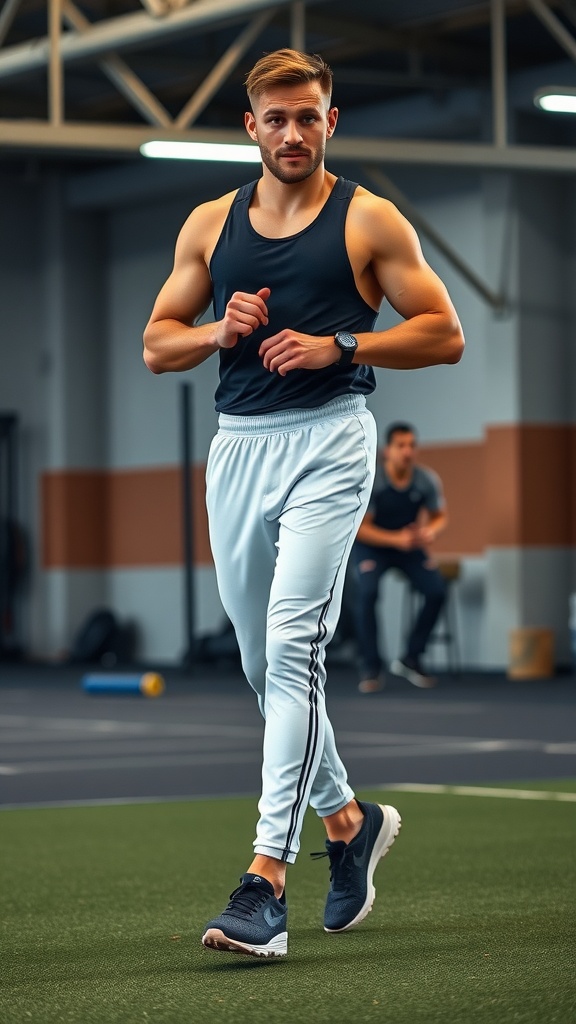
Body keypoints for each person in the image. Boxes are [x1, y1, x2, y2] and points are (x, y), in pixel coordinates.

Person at [143, 48, 464, 959]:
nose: (293, 132)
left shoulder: (369, 220)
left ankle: (264, 882)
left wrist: (341, 344)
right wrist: (219, 329)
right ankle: (348, 822)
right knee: (260, 663)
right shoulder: (209, 225)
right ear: (250, 126)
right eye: (276, 118)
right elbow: (158, 344)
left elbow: (444, 331)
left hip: (330, 437)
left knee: (293, 646)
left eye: (309, 116)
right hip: (238, 449)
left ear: (332, 122)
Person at [353, 422, 449, 693]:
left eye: (412, 445)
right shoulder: (374, 480)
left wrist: (430, 531)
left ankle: (411, 658)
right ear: (387, 451)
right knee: (367, 593)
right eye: (401, 446)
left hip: (408, 546)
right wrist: (396, 539)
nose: (408, 451)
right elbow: (361, 527)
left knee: (436, 591)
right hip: (373, 545)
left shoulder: (425, 479)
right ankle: (371, 666)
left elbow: (440, 516)